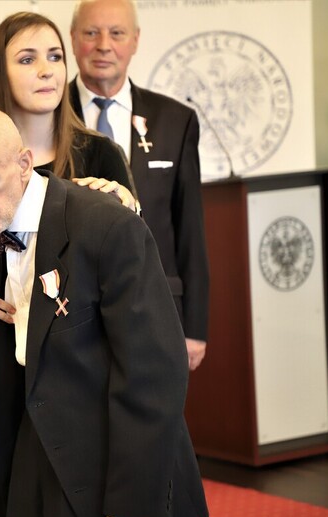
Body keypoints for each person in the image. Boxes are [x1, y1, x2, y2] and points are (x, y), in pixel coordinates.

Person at [0, 107, 209, 517]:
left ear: (24, 164)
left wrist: (129, 513)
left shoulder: (106, 224)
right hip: (38, 448)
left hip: (115, 458)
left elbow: (154, 375)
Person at [69, 0, 210, 370]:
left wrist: (194, 326)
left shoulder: (175, 120)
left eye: (116, 33)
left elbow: (190, 228)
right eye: (91, 32)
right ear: (72, 39)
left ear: (134, 40)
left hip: (158, 306)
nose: (103, 45)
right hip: (71, 313)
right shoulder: (49, 116)